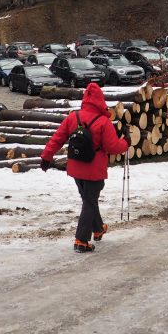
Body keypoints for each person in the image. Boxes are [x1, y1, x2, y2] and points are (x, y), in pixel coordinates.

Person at [39, 82, 128, 252]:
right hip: (94, 170)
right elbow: (113, 147)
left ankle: (98, 228)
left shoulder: (73, 117)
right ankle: (81, 240)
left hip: (75, 169)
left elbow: (57, 138)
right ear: (100, 100)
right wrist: (126, 142)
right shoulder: (103, 121)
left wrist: (46, 156)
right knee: (89, 201)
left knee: (88, 200)